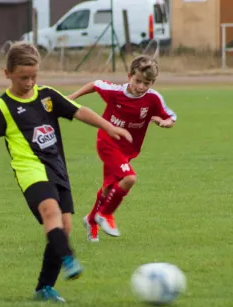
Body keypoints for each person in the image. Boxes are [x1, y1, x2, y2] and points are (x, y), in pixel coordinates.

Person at [0, 42, 133, 302]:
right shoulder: (2, 108)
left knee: (63, 228)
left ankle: (44, 288)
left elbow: (79, 111)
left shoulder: (47, 96)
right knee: (50, 211)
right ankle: (69, 259)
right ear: (6, 73)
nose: (29, 82)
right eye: (23, 77)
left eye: (34, 76)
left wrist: (108, 127)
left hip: (57, 168)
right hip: (30, 170)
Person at [67, 55, 177, 243]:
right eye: (138, 81)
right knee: (129, 178)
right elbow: (95, 84)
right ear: (129, 76)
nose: (141, 87)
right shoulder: (115, 92)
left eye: (147, 83)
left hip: (128, 150)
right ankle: (106, 215)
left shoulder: (153, 99)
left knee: (108, 189)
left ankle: (91, 220)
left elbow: (170, 116)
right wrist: (72, 97)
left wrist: (165, 122)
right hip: (107, 141)